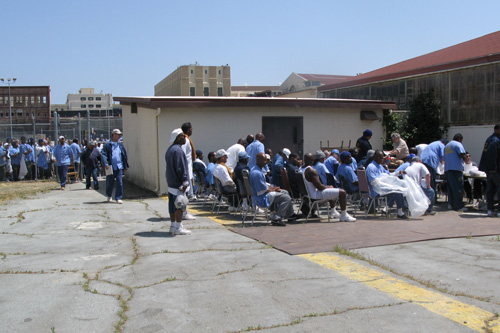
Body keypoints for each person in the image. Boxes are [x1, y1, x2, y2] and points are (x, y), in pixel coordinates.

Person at [303, 153, 356, 222]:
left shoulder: (301, 169)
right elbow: (320, 187)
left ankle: (333, 211)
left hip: (308, 194)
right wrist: (328, 187)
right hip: (315, 195)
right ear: (313, 160)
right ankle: (344, 215)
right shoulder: (311, 171)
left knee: (331, 191)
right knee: (342, 192)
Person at [249, 153, 298, 226]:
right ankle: (277, 217)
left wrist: (274, 188)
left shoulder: (256, 169)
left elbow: (264, 186)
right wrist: (274, 189)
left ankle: (290, 215)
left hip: (262, 194)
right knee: (286, 198)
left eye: (266, 160)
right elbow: (261, 191)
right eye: (264, 160)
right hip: (261, 198)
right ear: (258, 160)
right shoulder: (256, 173)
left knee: (285, 192)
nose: (266, 162)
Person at [366, 150, 408, 219]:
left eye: (382, 157)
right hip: (375, 189)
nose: (380, 159)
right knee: (396, 191)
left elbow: (388, 175)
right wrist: (383, 180)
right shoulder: (371, 167)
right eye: (378, 157)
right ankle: (399, 212)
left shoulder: (380, 166)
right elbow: (373, 181)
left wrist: (399, 173)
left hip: (382, 186)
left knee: (398, 189)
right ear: (374, 157)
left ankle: (390, 209)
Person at [165, 128, 191, 235]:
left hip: (171, 182)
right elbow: (180, 167)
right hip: (178, 184)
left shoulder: (170, 149)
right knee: (180, 205)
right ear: (177, 138)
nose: (185, 138)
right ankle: (179, 227)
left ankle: (172, 226)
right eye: (182, 136)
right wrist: (184, 181)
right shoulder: (179, 150)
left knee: (172, 205)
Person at [102, 129, 129, 204]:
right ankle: (109, 195)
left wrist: (125, 166)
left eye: (120, 135)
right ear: (113, 134)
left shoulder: (120, 145)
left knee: (119, 182)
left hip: (119, 166)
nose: (119, 136)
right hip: (110, 167)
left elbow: (124, 155)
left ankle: (118, 197)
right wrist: (105, 163)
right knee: (110, 182)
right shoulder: (108, 145)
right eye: (118, 134)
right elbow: (103, 154)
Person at [478, 124, 500, 217]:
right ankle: (497, 210)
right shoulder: (495, 140)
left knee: (490, 189)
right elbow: (491, 155)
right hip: (495, 170)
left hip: (490, 169)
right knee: (496, 189)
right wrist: (493, 168)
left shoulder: (490, 139)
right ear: (497, 130)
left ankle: (490, 209)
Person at [443, 133, 468, 211]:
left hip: (448, 169)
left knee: (451, 188)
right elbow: (462, 154)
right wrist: (466, 161)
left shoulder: (447, 146)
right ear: (460, 139)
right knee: (458, 188)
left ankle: (451, 204)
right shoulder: (458, 144)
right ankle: (459, 206)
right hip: (456, 169)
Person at [181, 122, 197, 204]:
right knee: (185, 193)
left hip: (188, 169)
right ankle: (184, 213)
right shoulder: (186, 140)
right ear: (188, 130)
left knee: (186, 193)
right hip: (186, 169)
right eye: (191, 129)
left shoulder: (187, 140)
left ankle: (184, 212)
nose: (192, 130)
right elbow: (182, 155)